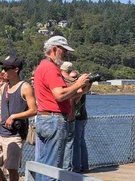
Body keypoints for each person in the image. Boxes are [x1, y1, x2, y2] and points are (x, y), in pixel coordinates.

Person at [33, 36, 90, 181]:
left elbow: (59, 95)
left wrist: (82, 90)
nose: (65, 54)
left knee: (43, 166)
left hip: (44, 119)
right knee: (52, 170)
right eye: (63, 50)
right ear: (54, 49)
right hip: (54, 120)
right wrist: (78, 84)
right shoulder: (51, 69)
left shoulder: (42, 67)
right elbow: (59, 95)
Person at [0, 56, 37, 181]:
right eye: (3, 68)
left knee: (12, 168)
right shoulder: (3, 88)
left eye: (6, 69)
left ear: (16, 70)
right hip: (0, 132)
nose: (3, 72)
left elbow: (34, 110)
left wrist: (14, 116)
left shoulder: (25, 87)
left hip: (15, 134)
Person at [69, 70, 90, 173]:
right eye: (71, 77)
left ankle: (76, 167)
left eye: (74, 77)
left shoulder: (79, 89)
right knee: (81, 142)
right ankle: (84, 166)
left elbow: (75, 102)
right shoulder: (82, 88)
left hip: (78, 117)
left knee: (76, 143)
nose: (72, 79)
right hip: (83, 117)